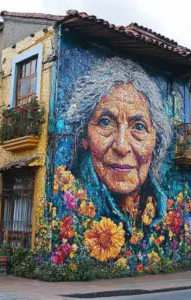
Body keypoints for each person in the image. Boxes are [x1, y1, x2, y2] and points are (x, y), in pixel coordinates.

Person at [65, 57, 172, 237]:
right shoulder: (66, 200)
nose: (121, 147)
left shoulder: (159, 207)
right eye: (105, 122)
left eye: (139, 126)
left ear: (156, 142)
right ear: (84, 136)